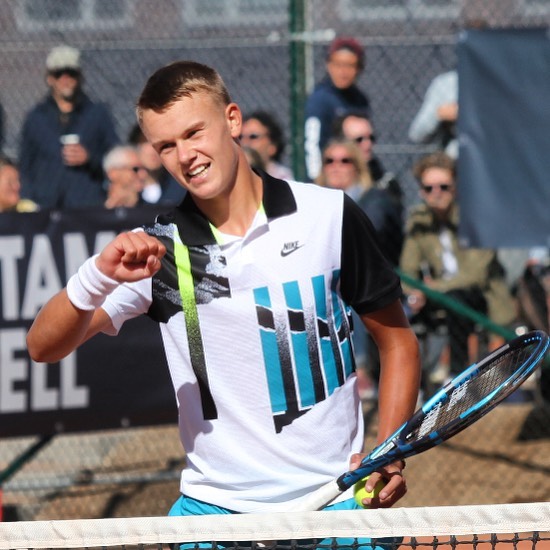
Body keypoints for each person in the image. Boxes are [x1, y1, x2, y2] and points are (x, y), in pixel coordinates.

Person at [27, 61, 420, 539]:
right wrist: (96, 275)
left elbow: (397, 342)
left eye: (194, 132)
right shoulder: (157, 249)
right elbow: (43, 346)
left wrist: (390, 451)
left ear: (232, 120)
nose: (185, 155)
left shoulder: (329, 215)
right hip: (213, 514)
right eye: (165, 146)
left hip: (338, 505)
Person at [399, 152, 516, 383]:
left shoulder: (476, 217)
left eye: (443, 186)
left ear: (456, 187)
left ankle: (457, 374)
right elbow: (407, 271)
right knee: (389, 311)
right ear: (421, 191)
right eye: (429, 188)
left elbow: (475, 275)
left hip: (481, 296)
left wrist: (433, 287)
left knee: (457, 298)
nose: (436, 193)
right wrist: (414, 292)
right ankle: (408, 382)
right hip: (439, 294)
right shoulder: (419, 221)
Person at [316, 138, 404, 399]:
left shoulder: (373, 198)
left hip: (371, 281)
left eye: (345, 160)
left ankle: (362, 370)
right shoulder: (313, 200)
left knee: (353, 297)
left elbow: (366, 233)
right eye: (329, 161)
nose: (336, 167)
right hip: (324, 281)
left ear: (358, 167)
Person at [19, 45, 119, 209]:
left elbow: (115, 156)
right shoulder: (36, 118)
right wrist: (28, 200)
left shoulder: (97, 114)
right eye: (59, 74)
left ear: (79, 76)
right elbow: (25, 163)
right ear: (50, 78)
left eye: (71, 73)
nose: (65, 79)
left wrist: (90, 158)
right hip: (45, 207)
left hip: (87, 204)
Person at [304, 37, 370, 181]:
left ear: (359, 68)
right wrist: (315, 183)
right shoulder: (320, 100)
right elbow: (312, 146)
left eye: (350, 65)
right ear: (329, 65)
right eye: (338, 64)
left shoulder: (360, 100)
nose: (343, 71)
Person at [332, 111, 403, 212]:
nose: (368, 145)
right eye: (359, 139)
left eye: (371, 138)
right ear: (340, 142)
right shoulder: (325, 183)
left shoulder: (385, 184)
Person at [128, 123, 186, 205]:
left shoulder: (181, 187)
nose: (153, 150)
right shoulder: (127, 188)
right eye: (146, 142)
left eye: (160, 143)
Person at [408, 70, 458, 159]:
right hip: (451, 161)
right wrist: (439, 115)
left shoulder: (490, 81)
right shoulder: (447, 83)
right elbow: (416, 134)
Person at [240, 111, 294, 180]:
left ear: (272, 146)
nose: (244, 143)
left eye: (253, 137)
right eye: (240, 137)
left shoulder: (283, 180)